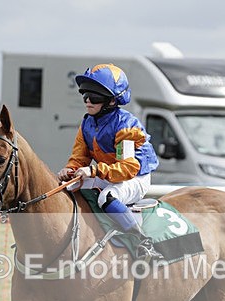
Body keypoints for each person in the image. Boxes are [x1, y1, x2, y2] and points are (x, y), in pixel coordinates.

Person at [58, 63, 162, 260]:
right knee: (67, 186)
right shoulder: (87, 122)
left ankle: (142, 242)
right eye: (85, 94)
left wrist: (94, 172)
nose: (88, 100)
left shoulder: (126, 125)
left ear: (112, 101)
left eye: (95, 95)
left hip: (135, 177)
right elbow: (80, 158)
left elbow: (128, 168)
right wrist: (70, 170)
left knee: (106, 198)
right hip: (109, 173)